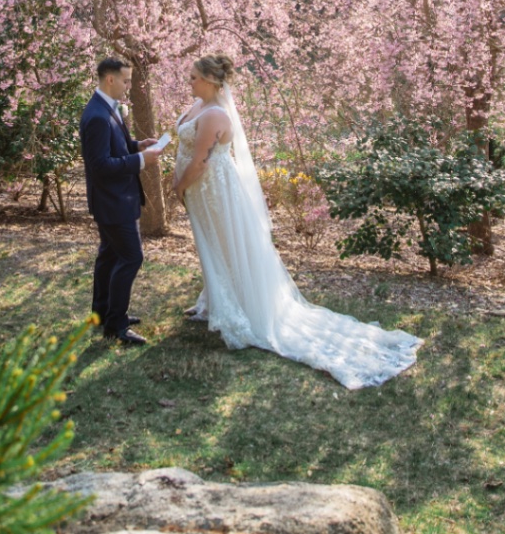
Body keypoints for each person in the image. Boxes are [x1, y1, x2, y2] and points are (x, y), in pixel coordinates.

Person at [171, 54, 422, 388]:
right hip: (202, 192)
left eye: (193, 78)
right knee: (213, 244)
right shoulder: (197, 106)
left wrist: (178, 186)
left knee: (225, 243)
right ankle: (217, 296)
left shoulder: (216, 113)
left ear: (211, 81)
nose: (189, 82)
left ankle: (242, 307)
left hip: (214, 189)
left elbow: (201, 160)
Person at [80, 56, 165, 345]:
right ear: (110, 79)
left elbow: (116, 148)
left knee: (110, 256)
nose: (129, 86)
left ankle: (102, 313)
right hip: (112, 201)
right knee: (131, 256)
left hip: (116, 199)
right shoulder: (97, 117)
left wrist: (136, 146)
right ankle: (116, 324)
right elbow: (101, 165)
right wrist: (141, 160)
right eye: (126, 80)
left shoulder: (107, 109)